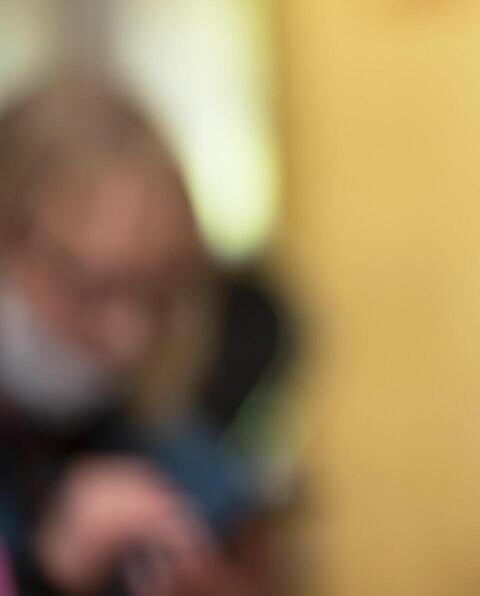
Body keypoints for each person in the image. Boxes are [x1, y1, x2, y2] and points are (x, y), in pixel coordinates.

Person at [0, 73, 274, 595]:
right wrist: (46, 575)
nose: (126, 336)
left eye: (154, 297)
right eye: (87, 288)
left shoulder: (194, 470)